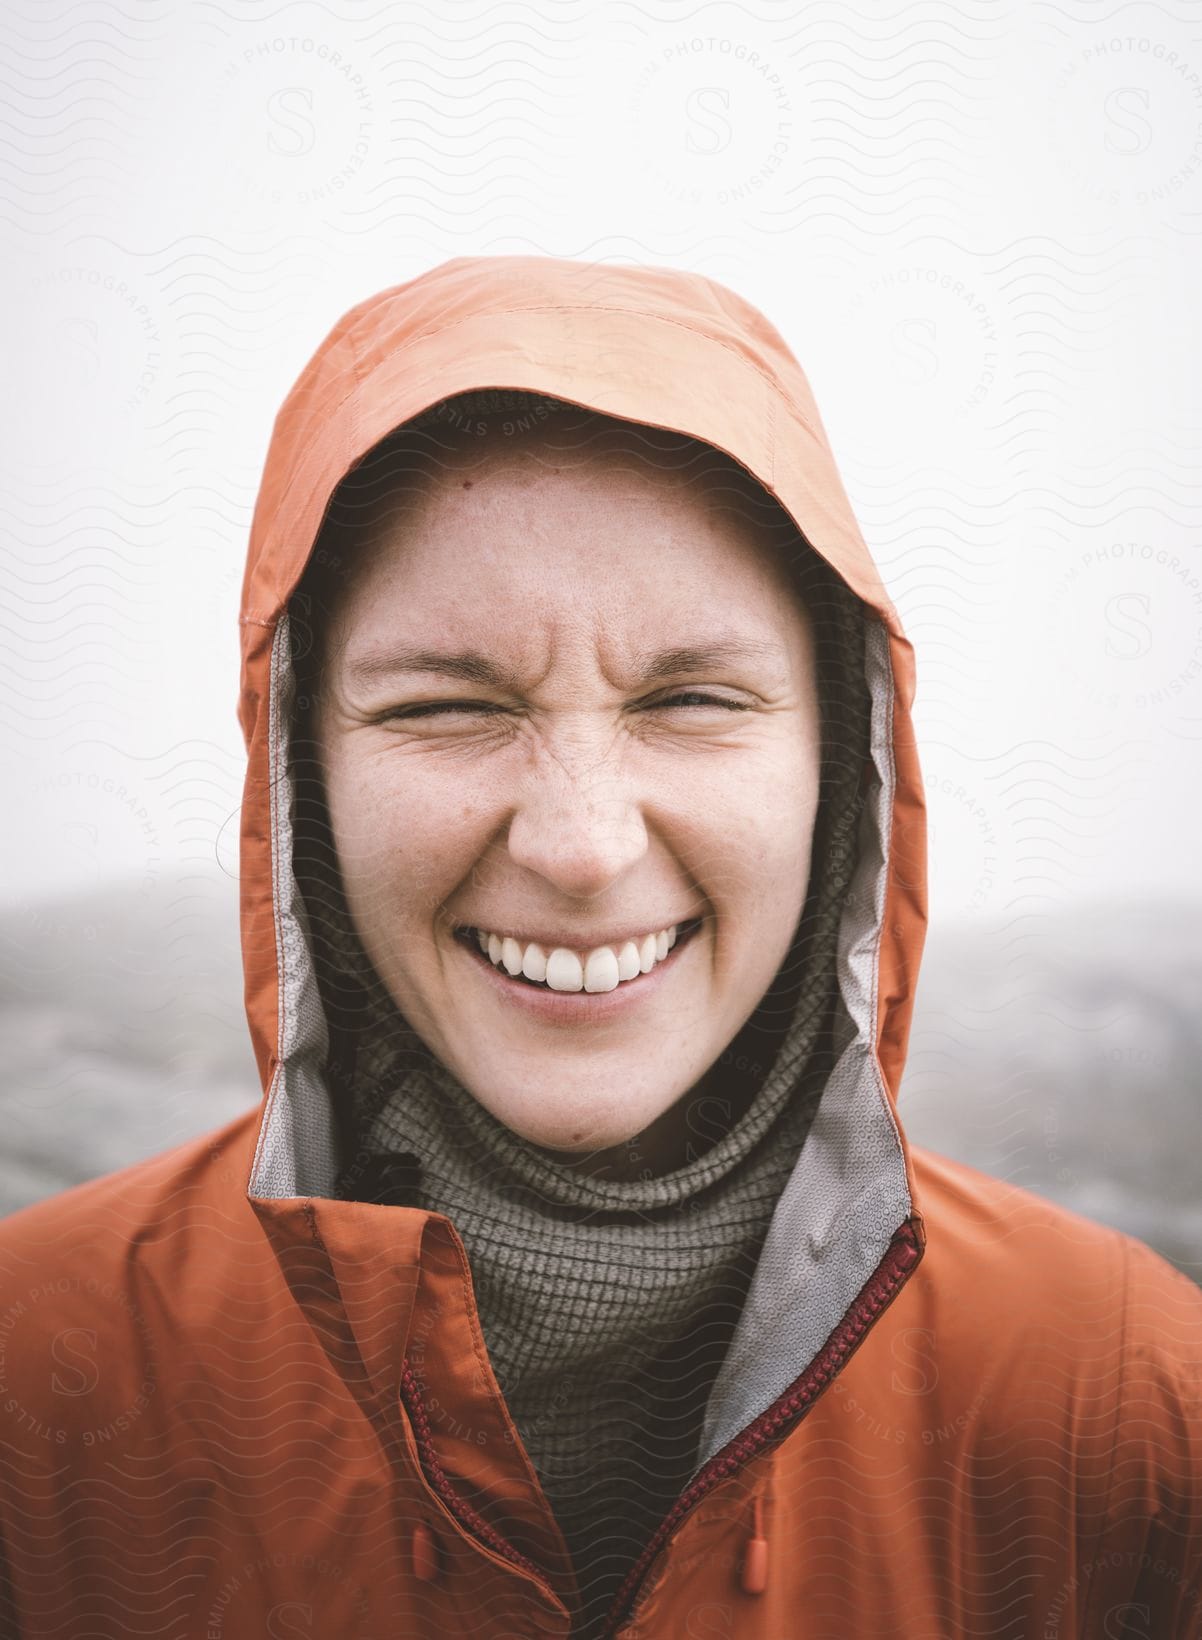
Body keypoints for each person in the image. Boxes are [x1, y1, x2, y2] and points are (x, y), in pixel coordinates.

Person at [0, 255, 1198, 1639]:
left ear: (841, 765)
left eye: (690, 698)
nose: (580, 847)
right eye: (446, 706)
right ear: (299, 776)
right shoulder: (44, 1376)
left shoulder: (1112, 1402)